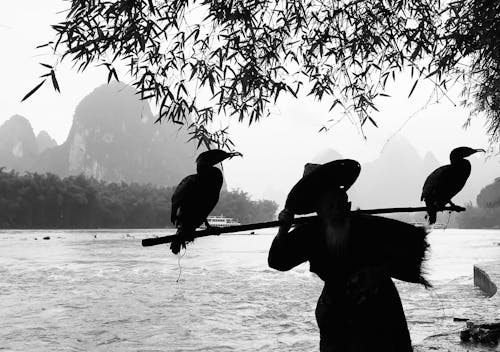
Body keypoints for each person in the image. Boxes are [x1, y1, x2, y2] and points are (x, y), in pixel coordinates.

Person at [268, 160, 429, 352]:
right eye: (329, 206)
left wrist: (377, 271)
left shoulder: (368, 226)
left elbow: (410, 247)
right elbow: (278, 261)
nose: (336, 212)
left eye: (339, 205)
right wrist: (283, 229)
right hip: (335, 311)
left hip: (379, 305)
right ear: (319, 210)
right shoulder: (311, 234)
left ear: (348, 205)